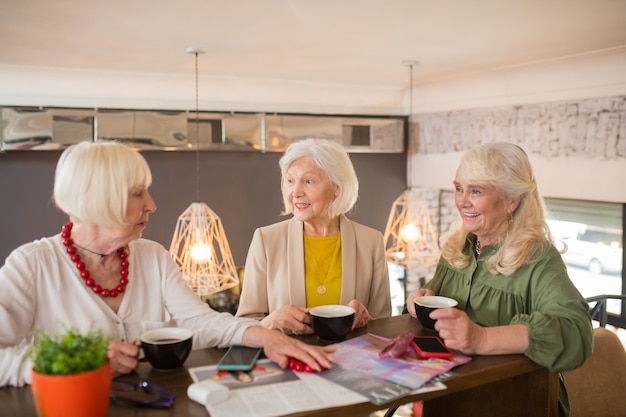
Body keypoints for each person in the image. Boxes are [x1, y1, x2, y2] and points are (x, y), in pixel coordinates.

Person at [0, 141, 333, 387]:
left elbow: (199, 322)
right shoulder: (31, 265)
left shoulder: (152, 256)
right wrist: (79, 364)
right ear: (100, 200)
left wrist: (264, 336)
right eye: (138, 194)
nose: (152, 205)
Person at [405, 142, 593, 417]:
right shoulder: (457, 249)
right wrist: (419, 302)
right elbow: (437, 325)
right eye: (459, 188)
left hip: (516, 403)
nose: (462, 201)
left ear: (512, 200)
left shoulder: (538, 258)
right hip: (449, 401)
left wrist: (481, 339)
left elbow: (576, 333)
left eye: (476, 191)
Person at [236, 138, 392, 335]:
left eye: (308, 181)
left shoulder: (371, 242)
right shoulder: (265, 240)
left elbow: (384, 324)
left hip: (351, 362)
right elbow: (244, 323)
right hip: (288, 361)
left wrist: (366, 318)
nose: (295, 192)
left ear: (337, 187)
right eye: (290, 181)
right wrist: (271, 321)